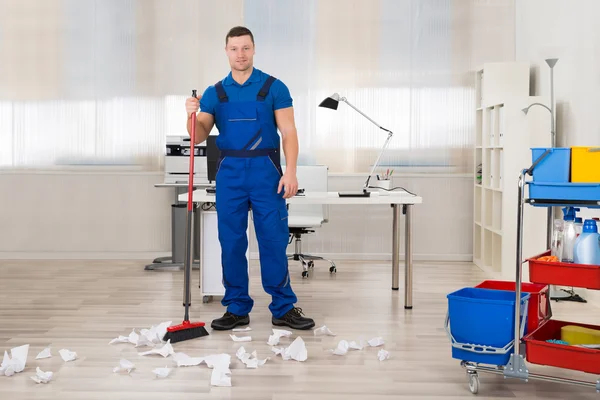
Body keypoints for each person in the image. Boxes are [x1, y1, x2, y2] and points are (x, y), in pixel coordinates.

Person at [184, 26, 315, 331]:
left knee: (273, 240)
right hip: (230, 175)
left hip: (266, 174)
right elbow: (197, 135)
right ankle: (237, 307)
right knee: (231, 242)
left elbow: (289, 132)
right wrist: (190, 114)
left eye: (245, 48)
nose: (240, 54)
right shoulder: (215, 93)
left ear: (253, 49)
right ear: (226, 51)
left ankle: (283, 307)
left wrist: (291, 171)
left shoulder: (274, 87)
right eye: (234, 49)